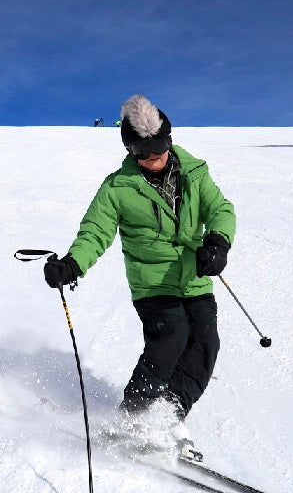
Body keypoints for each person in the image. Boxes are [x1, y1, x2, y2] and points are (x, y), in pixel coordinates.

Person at [43, 94, 235, 448]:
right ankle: (131, 418)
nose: (151, 159)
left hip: (194, 278)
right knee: (172, 337)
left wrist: (218, 242)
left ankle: (166, 413)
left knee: (205, 342)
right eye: (141, 153)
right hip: (152, 284)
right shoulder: (117, 188)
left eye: (157, 149)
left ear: (168, 141)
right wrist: (72, 264)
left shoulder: (194, 172)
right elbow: (95, 232)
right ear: (131, 151)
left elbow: (220, 208)